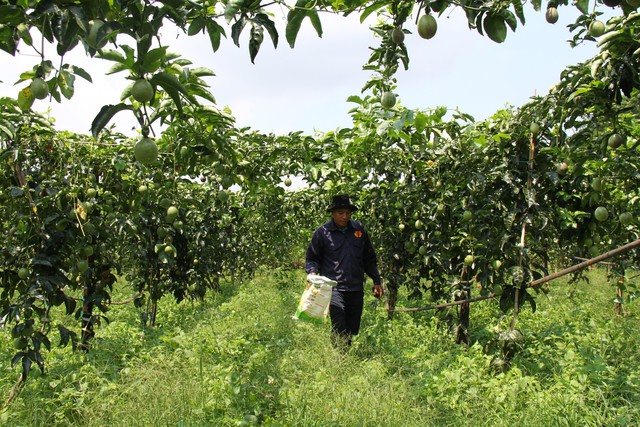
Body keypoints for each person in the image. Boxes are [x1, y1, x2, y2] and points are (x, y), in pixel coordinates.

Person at [305, 194, 383, 347]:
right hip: (333, 287)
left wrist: (376, 281)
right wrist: (312, 272)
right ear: (333, 213)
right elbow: (312, 257)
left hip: (355, 286)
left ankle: (343, 350)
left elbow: (369, 258)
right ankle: (340, 357)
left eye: (348, 213)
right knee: (339, 323)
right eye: (341, 213)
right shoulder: (322, 233)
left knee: (352, 327)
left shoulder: (359, 230)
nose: (345, 216)